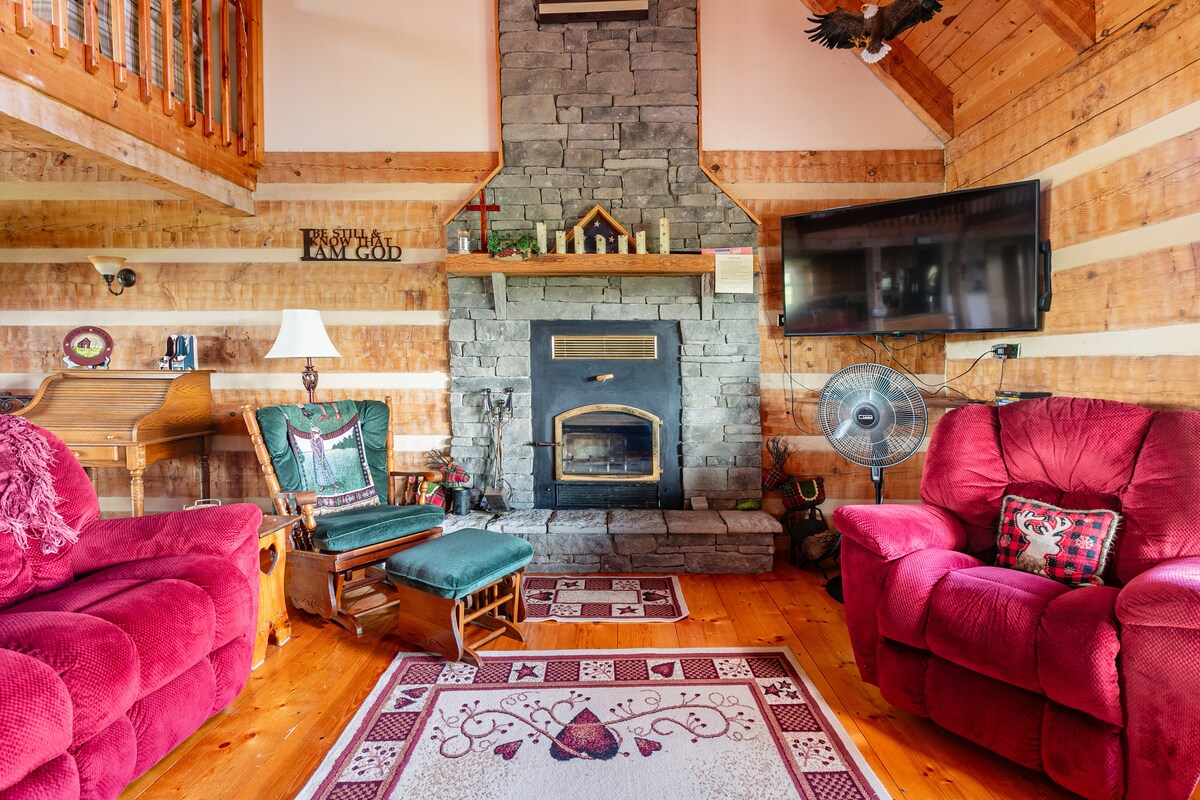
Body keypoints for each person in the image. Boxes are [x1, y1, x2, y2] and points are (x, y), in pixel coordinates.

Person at [309, 425, 338, 490]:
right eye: (316, 433)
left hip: (322, 456)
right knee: (319, 471)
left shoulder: (321, 439)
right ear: (313, 434)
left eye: (318, 433)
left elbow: (322, 449)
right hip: (316, 457)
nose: (317, 434)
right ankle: (321, 485)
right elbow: (314, 450)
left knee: (327, 468)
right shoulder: (311, 441)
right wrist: (319, 459)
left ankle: (333, 483)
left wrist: (322, 458)